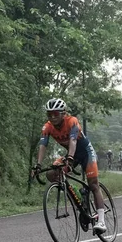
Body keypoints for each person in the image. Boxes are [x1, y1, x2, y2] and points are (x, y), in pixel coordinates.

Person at [31, 98, 108, 234]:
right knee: (52, 174)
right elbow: (43, 145)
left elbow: (73, 140)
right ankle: (78, 196)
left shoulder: (72, 121)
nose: (52, 117)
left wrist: (71, 158)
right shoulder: (47, 127)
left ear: (63, 113)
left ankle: (101, 221)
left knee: (94, 185)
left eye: (55, 113)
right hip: (70, 155)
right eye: (49, 114)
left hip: (85, 153)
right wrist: (38, 165)